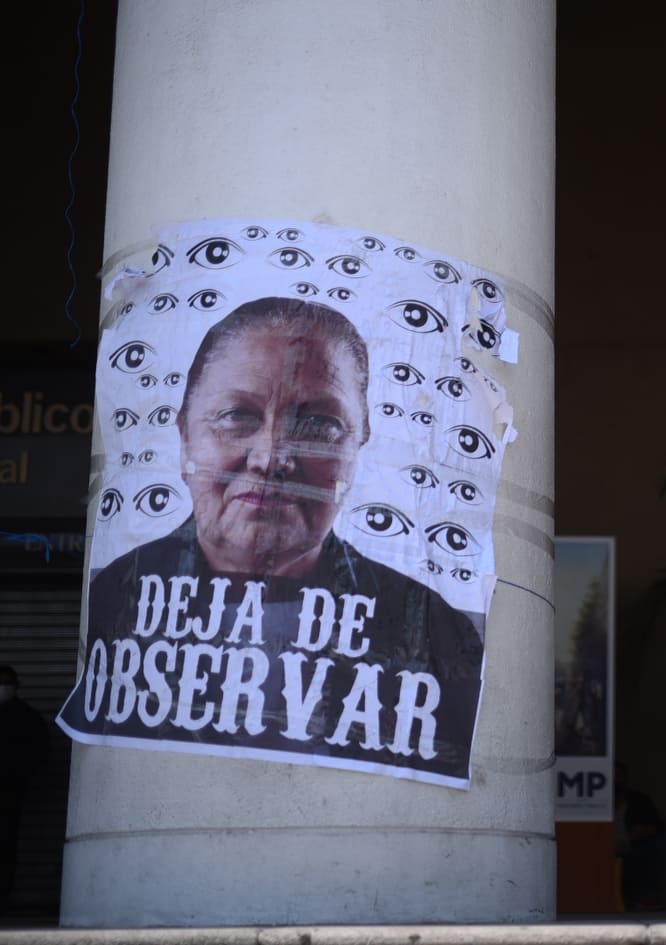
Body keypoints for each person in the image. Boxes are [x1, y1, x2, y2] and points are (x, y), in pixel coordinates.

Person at [57, 297, 483, 784]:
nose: (271, 457)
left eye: (320, 425)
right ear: (184, 435)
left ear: (359, 444)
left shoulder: (434, 631)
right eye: (236, 415)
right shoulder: (116, 596)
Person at [0, 666, 50, 914]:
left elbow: (40, 751)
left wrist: (17, 774)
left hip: (10, 793)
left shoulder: (26, 718)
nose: (3, 688)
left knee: (6, 844)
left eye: (7, 683)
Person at [613, 760, 666, 910]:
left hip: (633, 848)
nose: (616, 780)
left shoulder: (638, 800)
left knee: (654, 846)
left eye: (619, 775)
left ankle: (647, 898)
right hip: (601, 846)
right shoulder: (595, 801)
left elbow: (658, 826)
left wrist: (642, 830)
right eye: (612, 775)